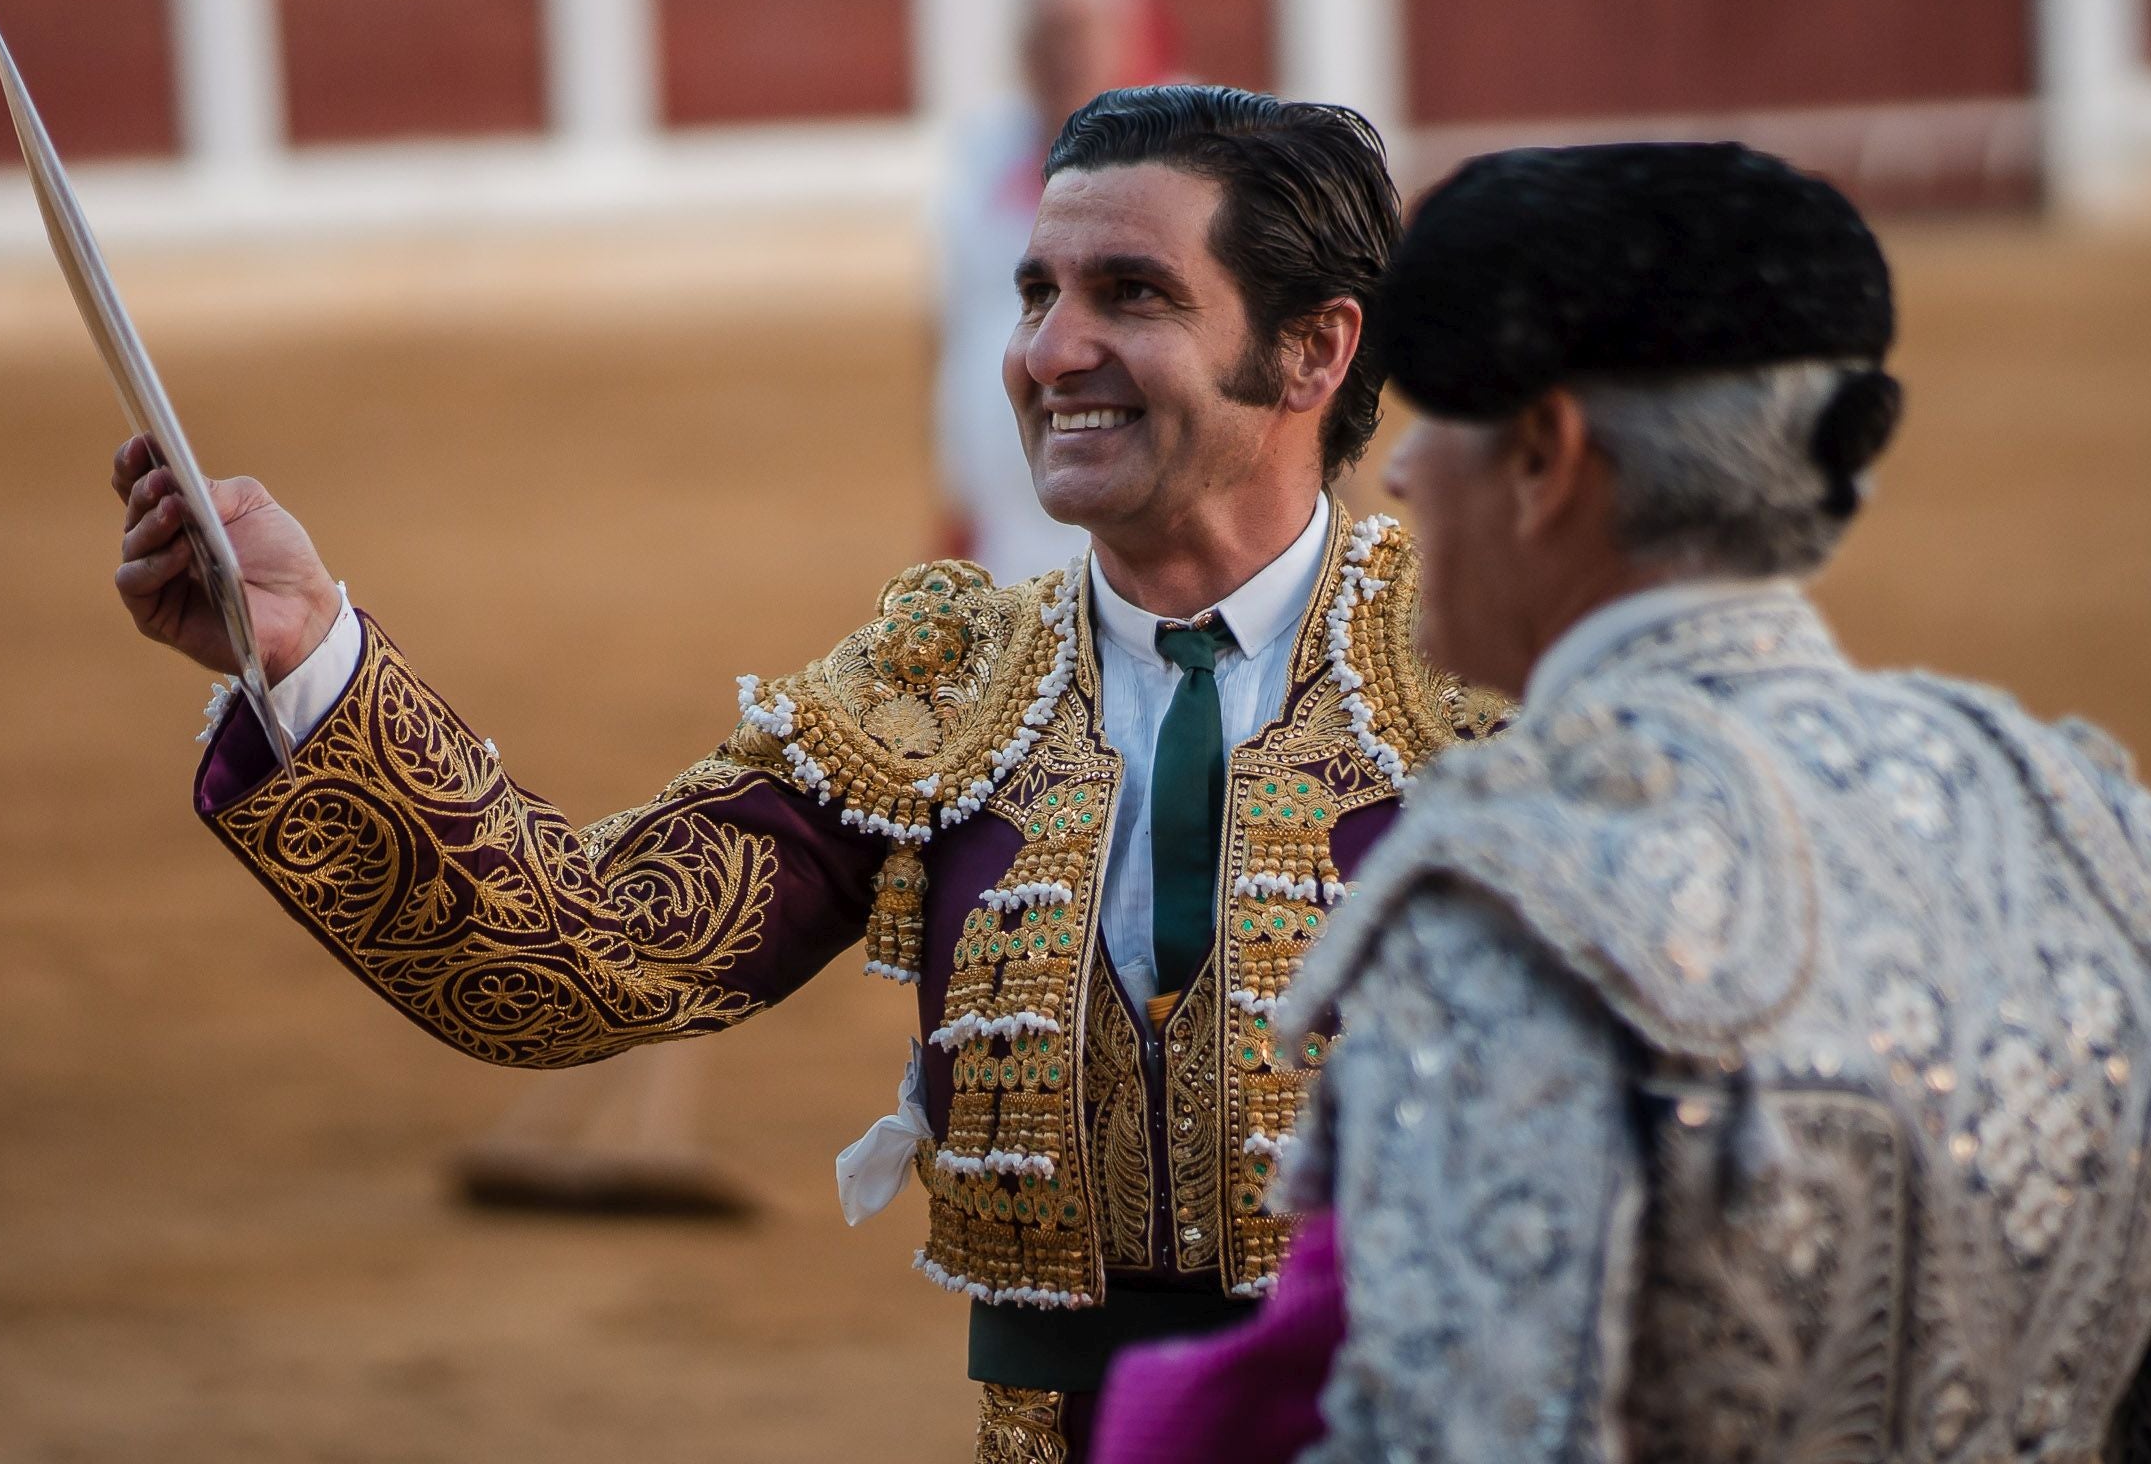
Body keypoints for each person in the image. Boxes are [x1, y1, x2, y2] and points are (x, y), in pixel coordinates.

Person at [107, 85, 1509, 1460]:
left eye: (1132, 295)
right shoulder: (946, 677)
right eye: (1036, 293)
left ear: (1315, 351)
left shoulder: (1491, 670)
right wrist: (308, 658)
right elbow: (581, 957)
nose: (1047, 350)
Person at [1091, 142, 2151, 1464]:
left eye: (1438, 427)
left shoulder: (1528, 901)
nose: (1402, 478)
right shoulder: (2103, 840)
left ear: (1543, 458)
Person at [932, 0, 1172, 583]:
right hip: (1007, 531)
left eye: (1077, 30)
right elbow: (952, 350)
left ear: (1126, 32)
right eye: (1043, 35)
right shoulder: (982, 162)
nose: (1060, 55)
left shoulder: (1187, 161)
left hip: (1136, 529)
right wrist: (957, 508)